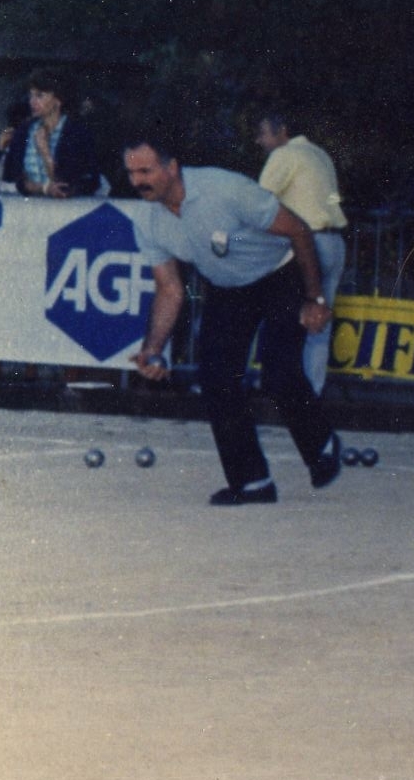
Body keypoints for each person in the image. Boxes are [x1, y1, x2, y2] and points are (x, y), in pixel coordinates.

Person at [122, 137, 345, 506]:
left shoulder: (224, 190)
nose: (137, 180)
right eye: (131, 173)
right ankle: (252, 482)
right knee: (215, 377)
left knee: (278, 370)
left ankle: (321, 444)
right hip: (228, 287)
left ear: (172, 167)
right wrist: (153, 349)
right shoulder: (147, 220)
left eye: (145, 171)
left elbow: (298, 230)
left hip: (279, 273)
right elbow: (169, 289)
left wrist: (315, 298)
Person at [256, 112, 352, 393]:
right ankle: (313, 395)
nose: (259, 140)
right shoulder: (319, 155)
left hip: (306, 244)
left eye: (263, 133)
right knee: (318, 326)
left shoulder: (284, 156)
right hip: (334, 242)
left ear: (281, 131)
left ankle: (279, 392)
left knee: (285, 320)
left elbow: (260, 202)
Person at [6, 78, 108, 198]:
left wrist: (45, 152)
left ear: (58, 100)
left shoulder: (77, 133)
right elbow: (14, 178)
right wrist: (43, 188)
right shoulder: (24, 130)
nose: (32, 101)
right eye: (31, 96)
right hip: (29, 209)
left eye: (39, 96)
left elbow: (64, 187)